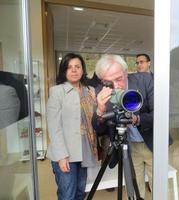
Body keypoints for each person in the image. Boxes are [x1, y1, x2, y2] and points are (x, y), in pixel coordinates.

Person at [92, 54, 156, 199]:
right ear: (102, 81)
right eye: (108, 82)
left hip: (150, 141)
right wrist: (100, 109)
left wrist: (137, 119)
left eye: (119, 79)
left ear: (126, 73)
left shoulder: (144, 80)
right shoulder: (101, 92)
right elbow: (98, 128)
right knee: (133, 184)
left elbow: (160, 113)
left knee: (156, 183)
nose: (115, 86)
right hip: (126, 145)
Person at [46, 53, 99, 200]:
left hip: (84, 150)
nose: (74, 70)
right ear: (64, 71)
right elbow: (54, 126)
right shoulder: (57, 92)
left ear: (83, 70)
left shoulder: (90, 92)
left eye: (77, 66)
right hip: (65, 153)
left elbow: (96, 119)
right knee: (67, 195)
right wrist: (61, 156)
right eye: (69, 67)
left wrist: (98, 104)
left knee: (80, 192)